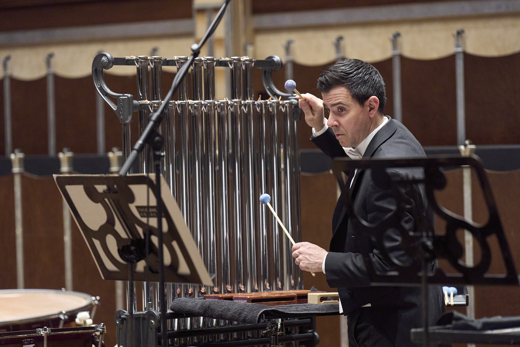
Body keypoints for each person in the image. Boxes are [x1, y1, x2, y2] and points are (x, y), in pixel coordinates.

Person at [292, 59, 446, 346]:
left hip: (395, 327)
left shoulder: (388, 167)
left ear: (371, 106)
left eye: (340, 110)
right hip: (400, 317)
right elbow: (360, 170)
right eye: (328, 110)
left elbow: (396, 264)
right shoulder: (391, 135)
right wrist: (321, 129)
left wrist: (325, 261)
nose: (332, 120)